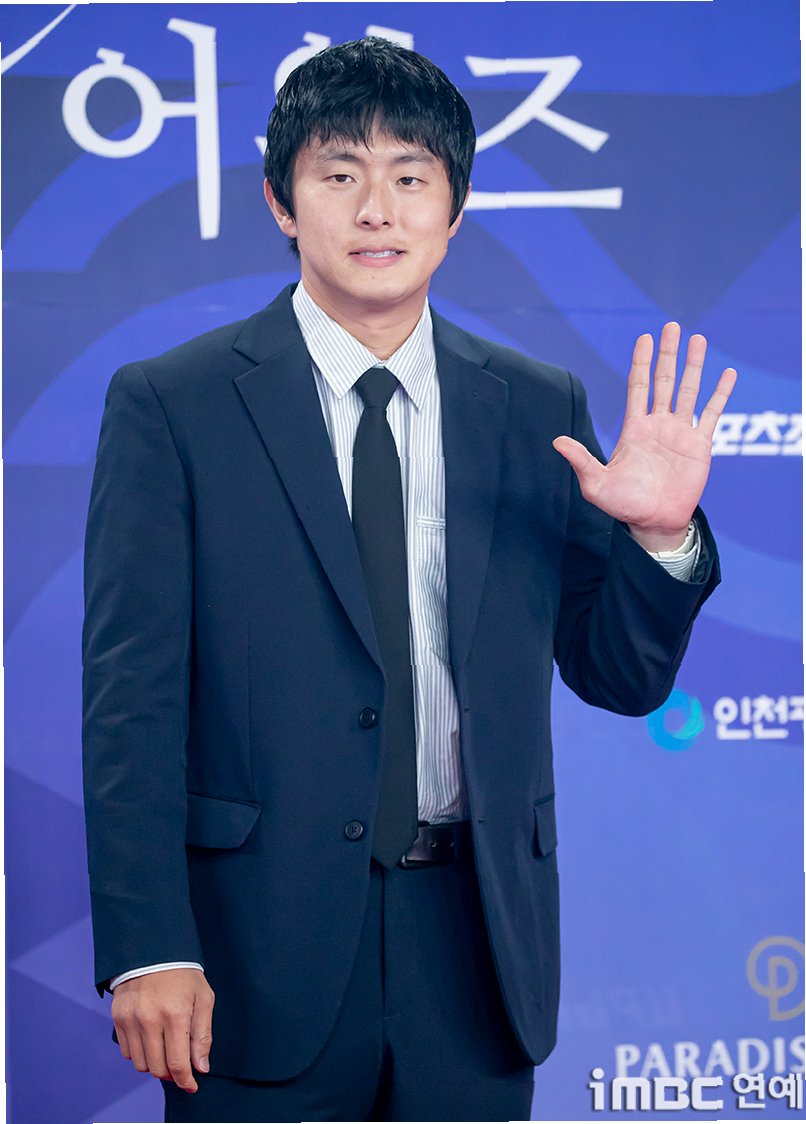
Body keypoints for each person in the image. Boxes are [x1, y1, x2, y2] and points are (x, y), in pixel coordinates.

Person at [82, 36, 736, 1124]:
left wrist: (661, 537)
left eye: (409, 176)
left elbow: (618, 675)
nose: (375, 209)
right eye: (339, 174)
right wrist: (150, 944)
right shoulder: (174, 405)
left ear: (454, 208)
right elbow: (130, 700)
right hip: (257, 940)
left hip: (475, 946)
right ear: (282, 202)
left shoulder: (534, 407)